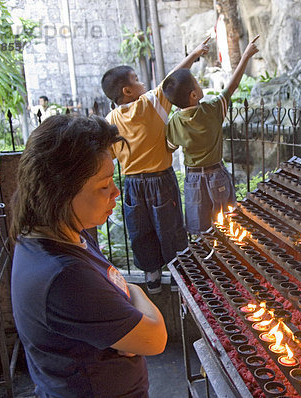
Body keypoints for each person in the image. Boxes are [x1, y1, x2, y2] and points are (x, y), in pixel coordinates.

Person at [10, 115, 167, 397]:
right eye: (103, 185)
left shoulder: (63, 233)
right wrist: (136, 295)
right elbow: (155, 338)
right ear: (60, 193)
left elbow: (118, 288)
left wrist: (129, 296)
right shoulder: (64, 276)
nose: (116, 192)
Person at [100, 38, 210, 294]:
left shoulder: (111, 120)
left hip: (132, 184)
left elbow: (109, 155)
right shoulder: (151, 103)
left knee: (140, 229)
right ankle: (179, 273)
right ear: (128, 90)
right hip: (161, 179)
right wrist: (193, 53)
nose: (142, 83)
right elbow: (173, 78)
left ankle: (152, 276)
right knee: (169, 225)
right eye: (137, 79)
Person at [162, 35, 260, 234]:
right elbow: (231, 87)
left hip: (193, 180)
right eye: (197, 82)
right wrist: (246, 56)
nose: (199, 84)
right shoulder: (212, 109)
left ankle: (206, 262)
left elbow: (170, 147)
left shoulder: (174, 123)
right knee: (228, 227)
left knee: (200, 232)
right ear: (194, 95)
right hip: (217, 176)